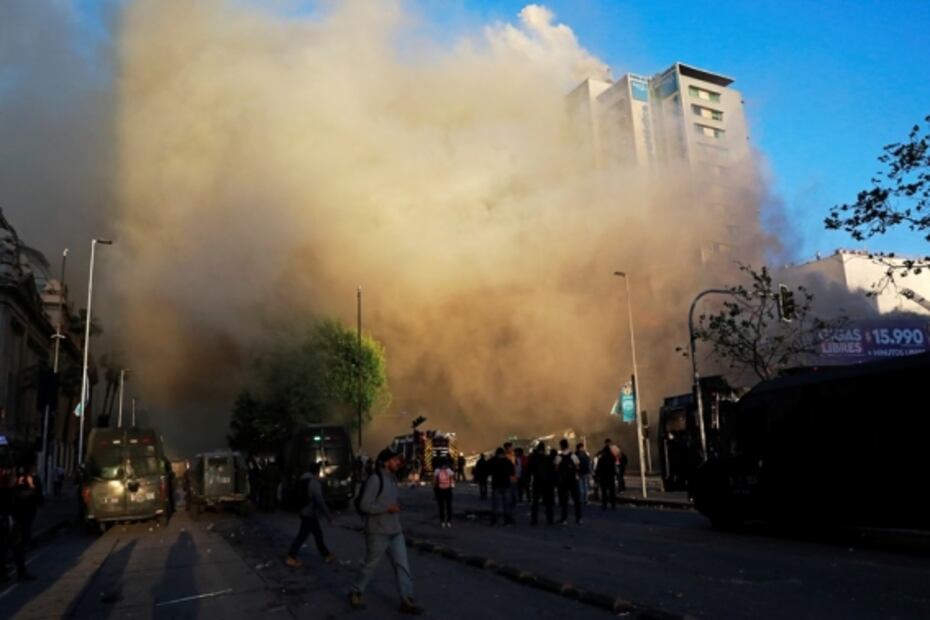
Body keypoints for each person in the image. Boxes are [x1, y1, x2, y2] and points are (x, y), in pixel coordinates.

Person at [349, 448, 423, 615]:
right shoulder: (376, 479)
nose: (398, 462)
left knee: (402, 566)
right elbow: (364, 505)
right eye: (395, 460)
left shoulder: (392, 479)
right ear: (385, 462)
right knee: (370, 566)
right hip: (377, 532)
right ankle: (355, 592)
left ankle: (406, 600)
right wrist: (387, 508)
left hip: (395, 531)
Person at [285, 461, 335, 567]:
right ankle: (291, 556)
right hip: (309, 512)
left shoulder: (303, 479)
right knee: (304, 536)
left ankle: (326, 554)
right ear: (317, 472)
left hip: (303, 510)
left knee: (316, 534)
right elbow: (319, 500)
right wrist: (328, 515)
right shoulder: (314, 483)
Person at [9, 463, 42, 582]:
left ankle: (20, 571)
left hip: (22, 517)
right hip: (19, 518)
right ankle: (20, 572)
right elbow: (36, 497)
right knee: (19, 545)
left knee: (20, 545)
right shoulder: (17, 484)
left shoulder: (21, 481)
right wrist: (32, 486)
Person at [554, 439, 582, 525]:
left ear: (561, 446)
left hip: (563, 481)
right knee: (576, 500)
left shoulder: (558, 457)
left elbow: (556, 469)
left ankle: (564, 519)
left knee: (564, 501)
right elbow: (578, 467)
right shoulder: (573, 455)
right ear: (568, 445)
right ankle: (578, 518)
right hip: (573, 480)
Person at [528, 443, 555, 526]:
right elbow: (552, 470)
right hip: (546, 482)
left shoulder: (533, 458)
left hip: (537, 482)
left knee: (535, 502)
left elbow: (529, 470)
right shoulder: (548, 458)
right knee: (548, 502)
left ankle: (534, 520)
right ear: (544, 449)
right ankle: (550, 519)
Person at [489, 447, 515, 526]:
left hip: (496, 484)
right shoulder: (507, 461)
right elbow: (512, 472)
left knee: (495, 504)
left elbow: (487, 470)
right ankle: (507, 521)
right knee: (506, 504)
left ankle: (494, 521)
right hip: (506, 484)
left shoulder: (492, 461)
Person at [433, 457, 455, 528]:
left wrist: (435, 489)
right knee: (448, 506)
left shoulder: (437, 470)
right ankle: (449, 521)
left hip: (440, 490)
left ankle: (442, 521)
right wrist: (452, 486)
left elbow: (434, 481)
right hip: (448, 490)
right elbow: (452, 479)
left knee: (441, 506)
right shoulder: (448, 470)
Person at [596, 440, 618, 510]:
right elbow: (615, 466)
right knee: (612, 491)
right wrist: (615, 474)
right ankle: (613, 504)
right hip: (610, 476)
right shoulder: (612, 458)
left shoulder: (601, 459)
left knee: (604, 491)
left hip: (603, 477)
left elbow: (598, 468)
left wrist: (597, 476)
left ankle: (604, 504)